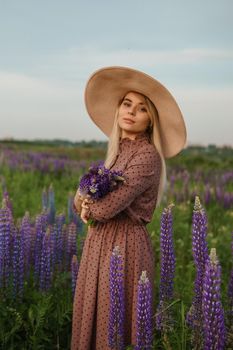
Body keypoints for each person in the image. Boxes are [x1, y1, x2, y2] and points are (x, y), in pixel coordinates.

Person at [71, 66, 187, 349]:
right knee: (92, 317)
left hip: (124, 247)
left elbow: (104, 208)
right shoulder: (117, 151)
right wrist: (85, 201)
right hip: (98, 243)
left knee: (114, 322)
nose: (131, 112)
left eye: (142, 108)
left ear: (150, 121)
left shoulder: (147, 155)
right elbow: (79, 200)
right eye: (127, 104)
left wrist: (89, 203)